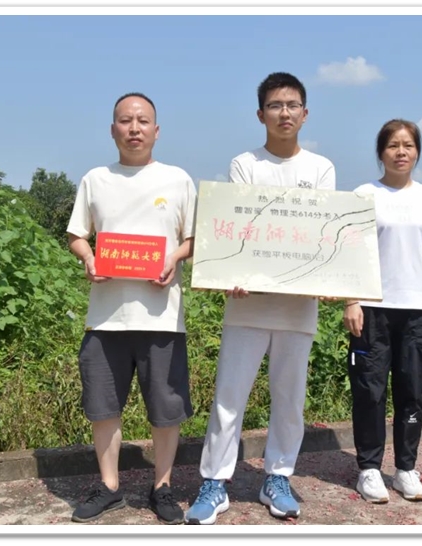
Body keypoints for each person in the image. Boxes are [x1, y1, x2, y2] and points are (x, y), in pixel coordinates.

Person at [185, 72, 336, 525]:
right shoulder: (245, 164)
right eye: (275, 105)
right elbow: (240, 226)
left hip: (298, 307)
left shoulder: (321, 169)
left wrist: (329, 277)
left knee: (289, 399)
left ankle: (278, 477)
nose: (284, 113)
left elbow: (322, 232)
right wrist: (232, 271)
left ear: (305, 114)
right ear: (260, 114)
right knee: (229, 397)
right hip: (246, 304)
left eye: (292, 105)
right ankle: (215, 482)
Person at [65, 92, 196, 524]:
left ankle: (163, 487)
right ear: (112, 129)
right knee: (103, 406)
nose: (134, 128)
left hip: (162, 317)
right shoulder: (95, 179)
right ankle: (109, 486)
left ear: (157, 130)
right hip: (105, 317)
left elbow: (194, 238)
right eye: (125, 120)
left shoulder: (178, 180)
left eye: (142, 121)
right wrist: (88, 258)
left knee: (166, 408)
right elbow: (77, 235)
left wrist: (174, 259)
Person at [344, 119, 422, 504]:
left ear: (417, 151)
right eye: (393, 145)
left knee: (412, 391)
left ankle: (406, 468)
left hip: (417, 310)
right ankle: (369, 469)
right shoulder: (364, 195)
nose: (401, 152)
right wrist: (351, 300)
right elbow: (350, 251)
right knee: (369, 390)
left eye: (408, 145)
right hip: (372, 309)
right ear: (381, 152)